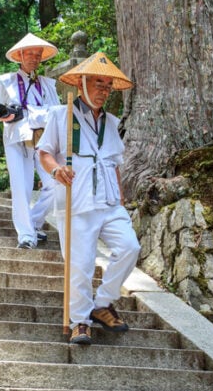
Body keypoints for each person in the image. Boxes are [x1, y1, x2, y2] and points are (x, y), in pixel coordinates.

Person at [37, 52, 141, 345]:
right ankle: (79, 322)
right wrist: (57, 170)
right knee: (80, 264)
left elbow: (115, 163)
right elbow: (44, 152)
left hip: (109, 201)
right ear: (82, 83)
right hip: (77, 200)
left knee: (130, 247)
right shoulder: (61, 115)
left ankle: (102, 303)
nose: (103, 90)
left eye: (108, 85)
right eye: (98, 83)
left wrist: (120, 198)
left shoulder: (111, 122)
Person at [0, 33, 60, 249]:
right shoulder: (7, 81)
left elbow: (57, 112)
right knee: (21, 187)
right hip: (16, 138)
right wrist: (2, 116)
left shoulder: (47, 84)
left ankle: (35, 222)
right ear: (20, 55)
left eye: (38, 54)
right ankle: (26, 235)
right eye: (30, 53)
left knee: (54, 183)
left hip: (42, 139)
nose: (34, 58)